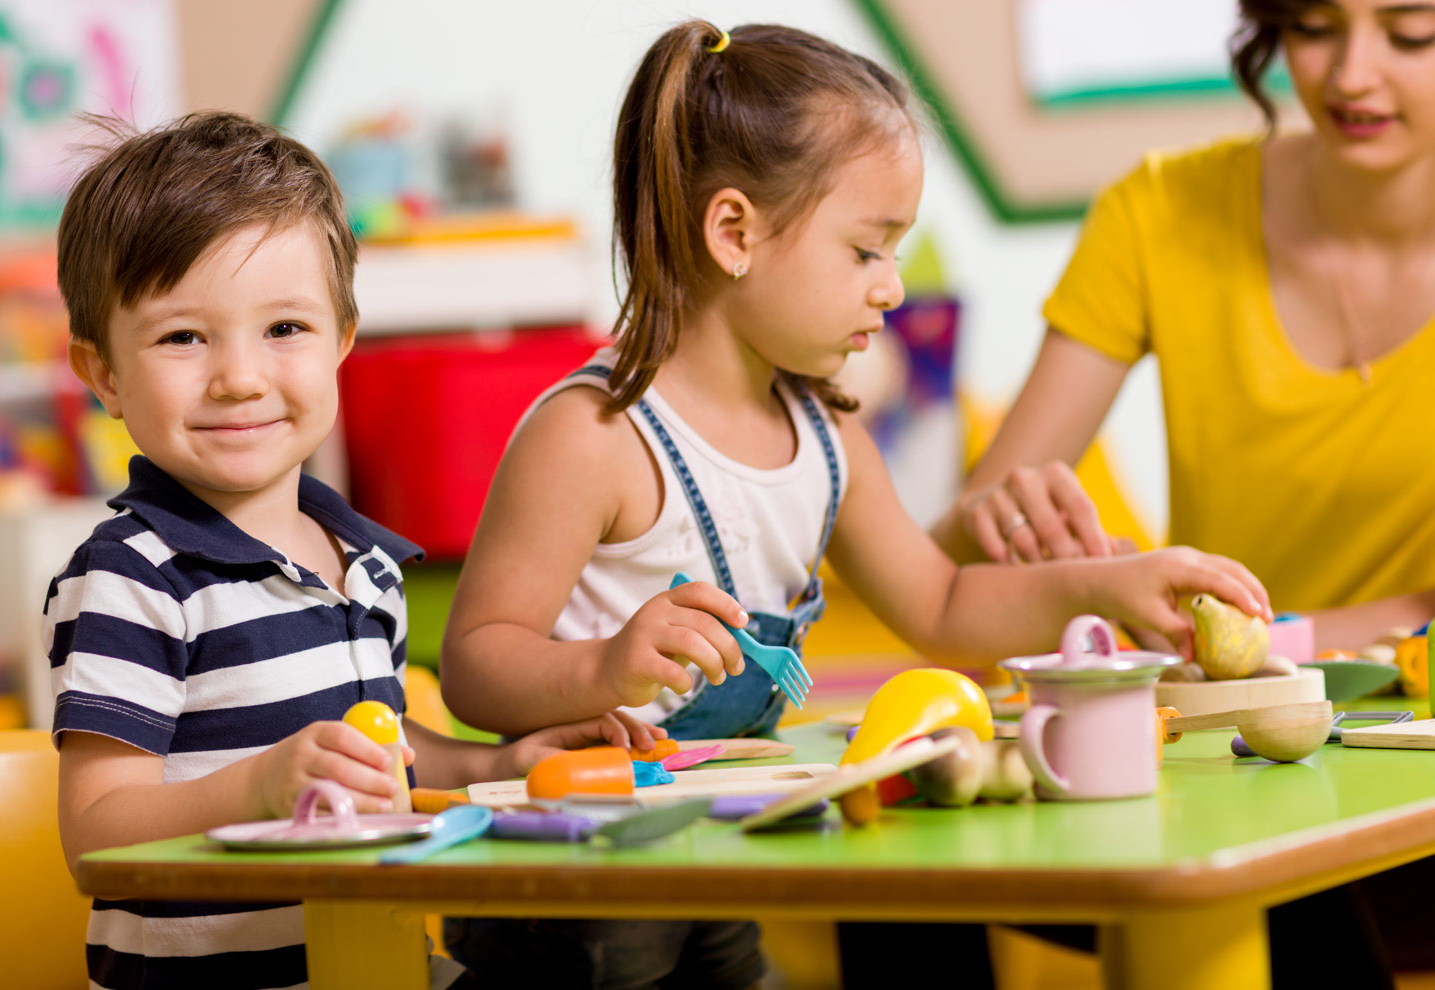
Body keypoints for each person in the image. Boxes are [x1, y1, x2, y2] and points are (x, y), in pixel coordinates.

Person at [436, 21, 1271, 989]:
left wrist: (1122, 583)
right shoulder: (595, 435)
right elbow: (473, 665)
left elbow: (945, 609)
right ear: (735, 233)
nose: (894, 286)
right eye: (869, 250)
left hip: (716, 862)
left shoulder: (828, 443)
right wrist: (604, 666)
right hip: (576, 882)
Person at [47, 111, 662, 990]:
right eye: (184, 336)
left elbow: (379, 748)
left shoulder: (359, 559)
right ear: (104, 371)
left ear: (341, 342)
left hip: (374, 960)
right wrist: (262, 788)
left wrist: (496, 765)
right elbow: (95, 835)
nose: (241, 376)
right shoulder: (130, 578)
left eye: (285, 330)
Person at [933, 0, 1435, 653]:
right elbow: (948, 570)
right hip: (1215, 731)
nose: (1351, 76)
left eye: (1409, 34)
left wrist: (1245, 642)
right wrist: (1010, 524)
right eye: (1314, 27)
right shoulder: (1159, 212)